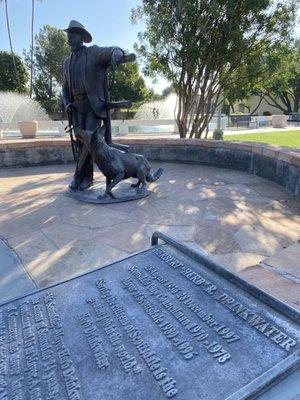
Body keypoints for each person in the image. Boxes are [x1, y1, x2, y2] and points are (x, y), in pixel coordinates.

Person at [62, 20, 124, 190]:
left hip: (93, 108)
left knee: (89, 140)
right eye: (68, 36)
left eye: (72, 36)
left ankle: (77, 177)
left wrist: (117, 52)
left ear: (81, 37)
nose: (69, 40)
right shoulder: (67, 62)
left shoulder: (94, 53)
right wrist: (67, 103)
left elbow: (112, 50)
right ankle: (86, 178)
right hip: (76, 109)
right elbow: (64, 88)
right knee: (81, 145)